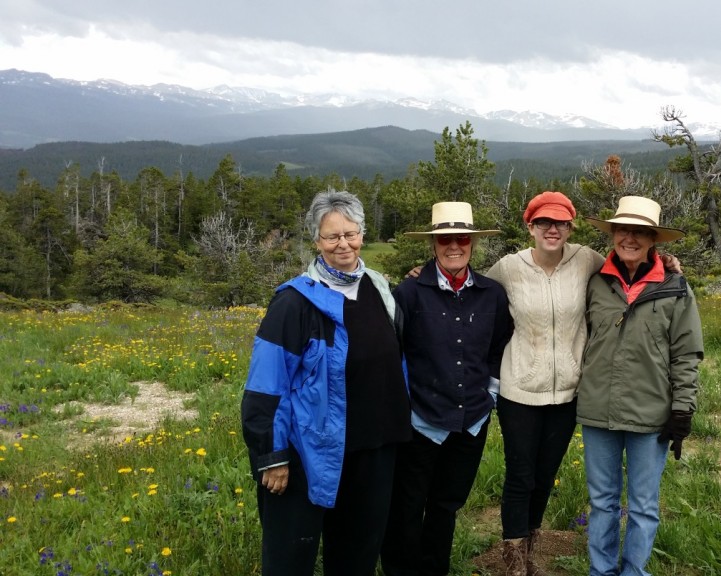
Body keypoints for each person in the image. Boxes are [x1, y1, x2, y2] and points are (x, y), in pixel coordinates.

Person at [485, 191, 681, 576]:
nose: (552, 229)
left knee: (544, 477)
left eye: (560, 222)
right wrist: (422, 275)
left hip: (569, 392)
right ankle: (514, 563)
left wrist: (667, 261)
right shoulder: (508, 268)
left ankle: (532, 553)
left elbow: (631, 264)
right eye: (544, 222)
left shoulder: (586, 260)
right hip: (519, 390)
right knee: (520, 475)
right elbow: (472, 292)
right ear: (530, 227)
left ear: (571, 227)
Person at [241, 189, 411, 576]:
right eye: (332, 236)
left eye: (350, 233)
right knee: (290, 557)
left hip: (374, 448)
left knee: (357, 555)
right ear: (317, 240)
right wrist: (272, 457)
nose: (343, 244)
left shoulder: (380, 289)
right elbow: (266, 385)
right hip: (308, 452)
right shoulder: (295, 302)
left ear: (362, 235)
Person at [380, 201, 513, 576]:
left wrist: (489, 395)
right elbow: (392, 351)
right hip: (420, 422)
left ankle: (434, 568)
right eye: (444, 240)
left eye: (461, 238)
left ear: (472, 242)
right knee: (406, 507)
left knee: (446, 506)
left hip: (470, 421)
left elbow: (499, 346)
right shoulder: (407, 294)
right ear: (433, 245)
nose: (453, 246)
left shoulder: (493, 294)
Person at [576, 195, 704, 576]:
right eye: (622, 230)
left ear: (654, 240)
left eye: (639, 232)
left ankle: (633, 571)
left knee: (644, 505)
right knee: (602, 502)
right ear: (613, 235)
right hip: (598, 412)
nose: (629, 238)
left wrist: (683, 409)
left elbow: (686, 354)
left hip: (652, 416)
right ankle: (601, 571)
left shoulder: (675, 288)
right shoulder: (594, 282)